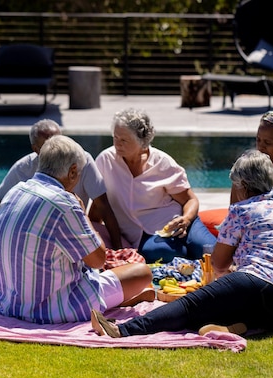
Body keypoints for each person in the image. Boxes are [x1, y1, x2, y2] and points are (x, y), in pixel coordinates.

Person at [91, 149, 273, 338]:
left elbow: (219, 263)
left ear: (242, 186)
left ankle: (124, 330)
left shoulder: (242, 209)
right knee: (235, 303)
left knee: (192, 305)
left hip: (258, 282)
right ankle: (238, 327)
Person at [0, 135, 154, 324]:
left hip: (10, 303)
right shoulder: (64, 203)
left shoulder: (15, 192)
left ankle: (119, 299)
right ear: (72, 172)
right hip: (51, 310)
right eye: (79, 173)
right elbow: (98, 260)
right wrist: (83, 214)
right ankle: (120, 301)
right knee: (142, 273)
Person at [92, 108, 216, 263]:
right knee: (158, 252)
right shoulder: (105, 161)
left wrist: (185, 220)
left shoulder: (162, 162)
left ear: (142, 141)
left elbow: (190, 200)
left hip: (180, 222)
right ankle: (189, 259)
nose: (117, 143)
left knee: (211, 250)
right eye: (115, 137)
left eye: (124, 140)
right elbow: (98, 206)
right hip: (144, 235)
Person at [0, 119, 123, 249]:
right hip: (36, 232)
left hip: (73, 228)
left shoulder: (82, 160)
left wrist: (119, 251)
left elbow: (103, 206)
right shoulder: (23, 169)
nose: (55, 150)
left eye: (58, 142)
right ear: (35, 149)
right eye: (48, 146)